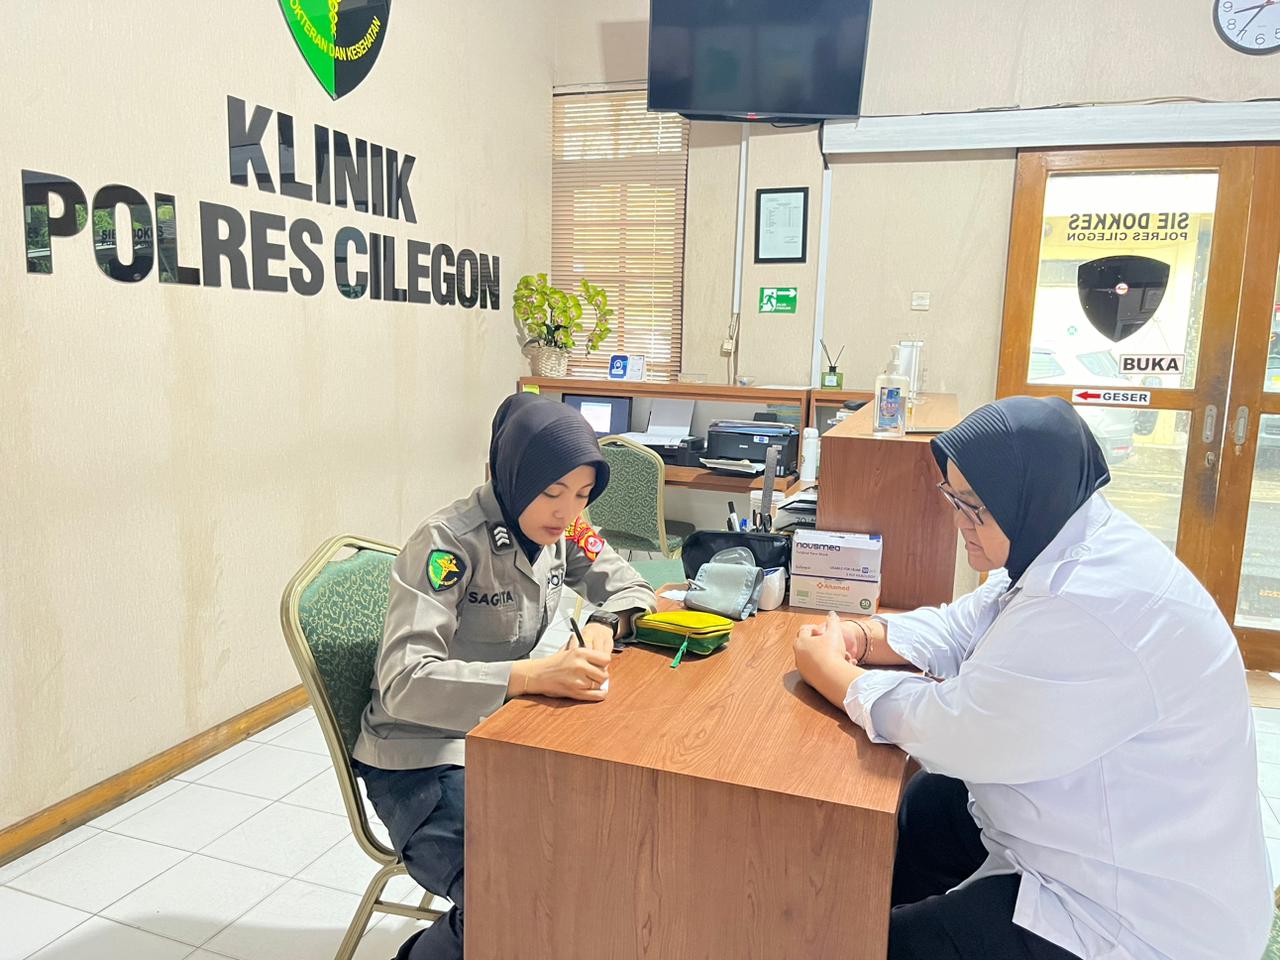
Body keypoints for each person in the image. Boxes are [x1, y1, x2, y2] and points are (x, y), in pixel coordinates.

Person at [792, 396, 1271, 960]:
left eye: (974, 507)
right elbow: (965, 625)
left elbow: (958, 732)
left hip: (1137, 916)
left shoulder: (1091, 600)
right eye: (953, 498)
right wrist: (866, 636)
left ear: (1026, 497)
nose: (958, 521)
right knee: (930, 806)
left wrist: (840, 677)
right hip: (1089, 823)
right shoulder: (1062, 534)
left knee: (882, 946)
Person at [352, 393, 657, 960]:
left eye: (583, 495)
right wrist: (530, 676)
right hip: (418, 759)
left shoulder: (566, 529)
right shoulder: (447, 544)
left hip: (499, 737)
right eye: (553, 492)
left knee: (593, 852)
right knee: (508, 891)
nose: (567, 512)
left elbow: (632, 585)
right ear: (511, 474)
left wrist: (605, 624)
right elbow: (403, 682)